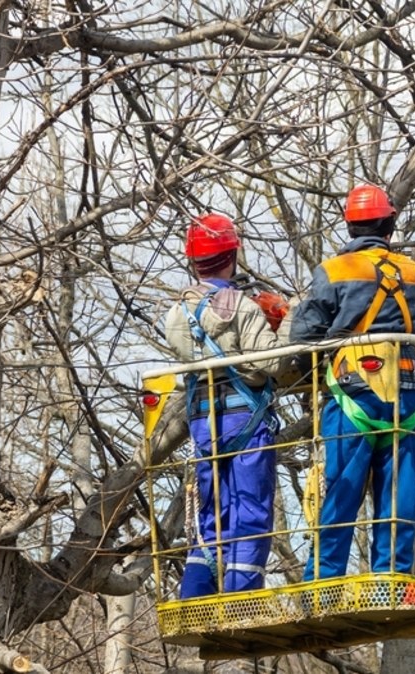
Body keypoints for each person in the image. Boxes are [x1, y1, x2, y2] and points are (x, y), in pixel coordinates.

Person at [289, 184, 415, 580]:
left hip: (354, 390)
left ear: (350, 226)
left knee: (342, 487)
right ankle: (391, 574)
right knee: (401, 489)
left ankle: (323, 579)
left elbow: (303, 337)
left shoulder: (335, 271)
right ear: (390, 223)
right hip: (407, 393)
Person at [163, 213, 285, 598]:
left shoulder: (176, 314)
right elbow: (270, 364)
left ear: (193, 260)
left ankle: (195, 595)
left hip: (203, 421)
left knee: (212, 515)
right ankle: (241, 601)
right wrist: (286, 325)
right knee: (251, 511)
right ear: (232, 253)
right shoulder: (244, 307)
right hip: (244, 418)